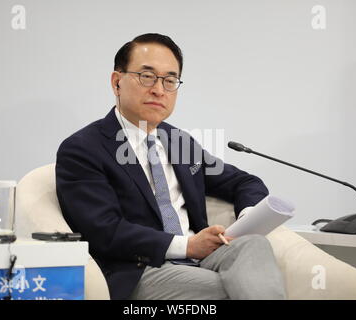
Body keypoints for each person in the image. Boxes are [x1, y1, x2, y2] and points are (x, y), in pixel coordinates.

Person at [55, 33, 286, 300]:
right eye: (147, 76)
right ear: (117, 82)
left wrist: (247, 219)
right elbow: (105, 231)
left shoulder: (179, 142)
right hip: (140, 269)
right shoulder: (84, 148)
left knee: (253, 246)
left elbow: (244, 182)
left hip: (202, 259)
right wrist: (187, 246)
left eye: (170, 80)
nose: (159, 89)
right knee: (235, 288)